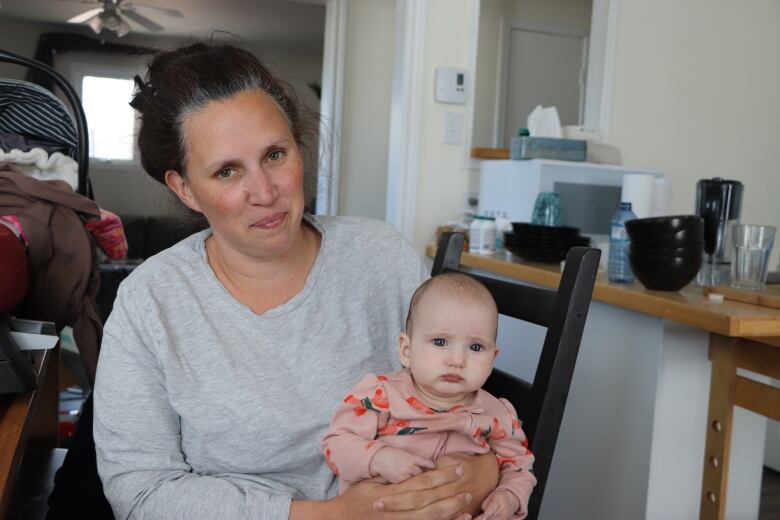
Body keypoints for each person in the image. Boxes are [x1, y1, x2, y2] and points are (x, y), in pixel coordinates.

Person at [92, 42, 499, 520]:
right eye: (227, 171)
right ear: (185, 188)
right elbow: (140, 492)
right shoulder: (151, 300)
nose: (265, 192)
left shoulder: (381, 258)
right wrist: (334, 515)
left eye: (275, 154)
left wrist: (484, 470)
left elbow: (467, 403)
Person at [321, 273, 536, 519]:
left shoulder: (497, 414)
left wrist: (509, 495)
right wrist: (378, 458)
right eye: (440, 341)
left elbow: (519, 463)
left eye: (475, 347)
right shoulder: (381, 396)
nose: (457, 360)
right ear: (406, 350)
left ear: (492, 359)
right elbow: (335, 444)